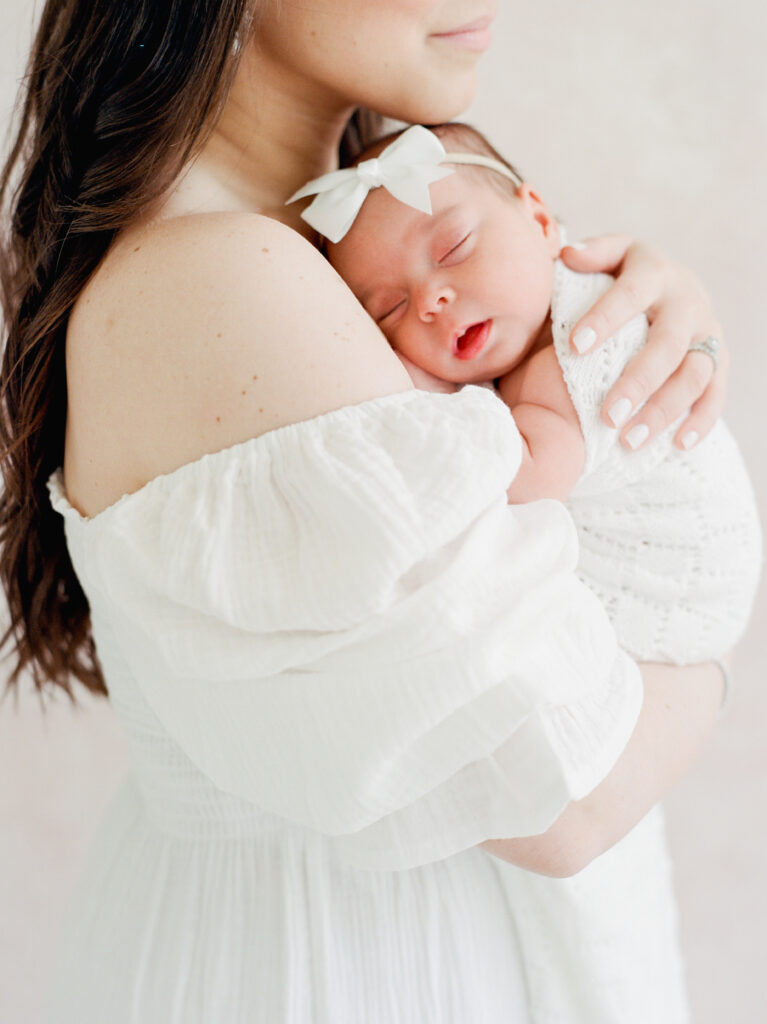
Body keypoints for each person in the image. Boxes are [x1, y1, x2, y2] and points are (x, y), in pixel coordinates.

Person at [0, 3, 732, 1023]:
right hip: (350, 967)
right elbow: (564, 787)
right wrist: (706, 615)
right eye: (392, 309)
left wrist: (611, 335)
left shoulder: (343, 233)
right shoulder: (222, 273)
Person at [317, 120, 763, 1018]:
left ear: (539, 214)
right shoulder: (528, 318)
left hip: (673, 594)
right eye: (388, 313)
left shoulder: (575, 348)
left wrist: (402, 392)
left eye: (452, 250)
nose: (432, 301)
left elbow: (515, 478)